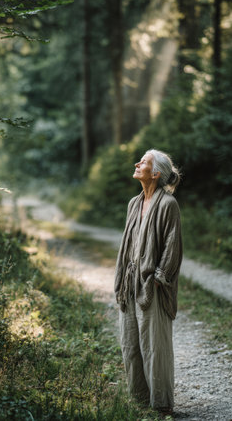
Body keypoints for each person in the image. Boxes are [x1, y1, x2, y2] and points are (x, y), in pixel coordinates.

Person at [114, 149, 182, 416]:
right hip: (129, 284)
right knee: (130, 345)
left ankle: (162, 404)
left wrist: (158, 279)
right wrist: (124, 278)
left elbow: (172, 246)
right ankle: (141, 401)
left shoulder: (167, 204)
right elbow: (128, 245)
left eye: (143, 162)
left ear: (156, 173)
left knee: (155, 347)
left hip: (152, 286)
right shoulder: (133, 203)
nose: (137, 163)